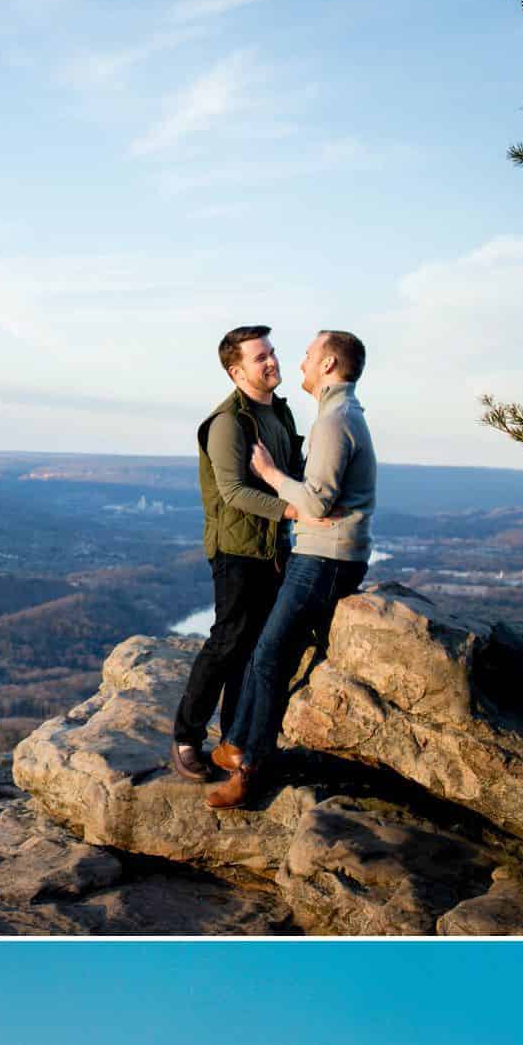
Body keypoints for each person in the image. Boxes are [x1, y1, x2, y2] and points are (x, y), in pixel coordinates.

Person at [208, 330, 377, 809]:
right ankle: (235, 743)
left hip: (325, 557)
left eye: (307, 354)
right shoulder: (342, 413)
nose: (297, 361)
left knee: (268, 657)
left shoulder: (334, 420)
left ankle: (248, 771)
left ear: (327, 365)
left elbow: (318, 503)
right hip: (326, 554)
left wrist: (272, 477)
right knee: (270, 651)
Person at [171, 324, 305, 781]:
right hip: (237, 549)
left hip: (273, 550)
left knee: (252, 649)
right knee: (228, 641)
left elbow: (292, 472)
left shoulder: (279, 414)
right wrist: (292, 511)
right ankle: (187, 737)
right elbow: (233, 491)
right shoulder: (229, 422)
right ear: (236, 370)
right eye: (259, 357)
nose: (272, 362)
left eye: (272, 352)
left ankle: (232, 741)